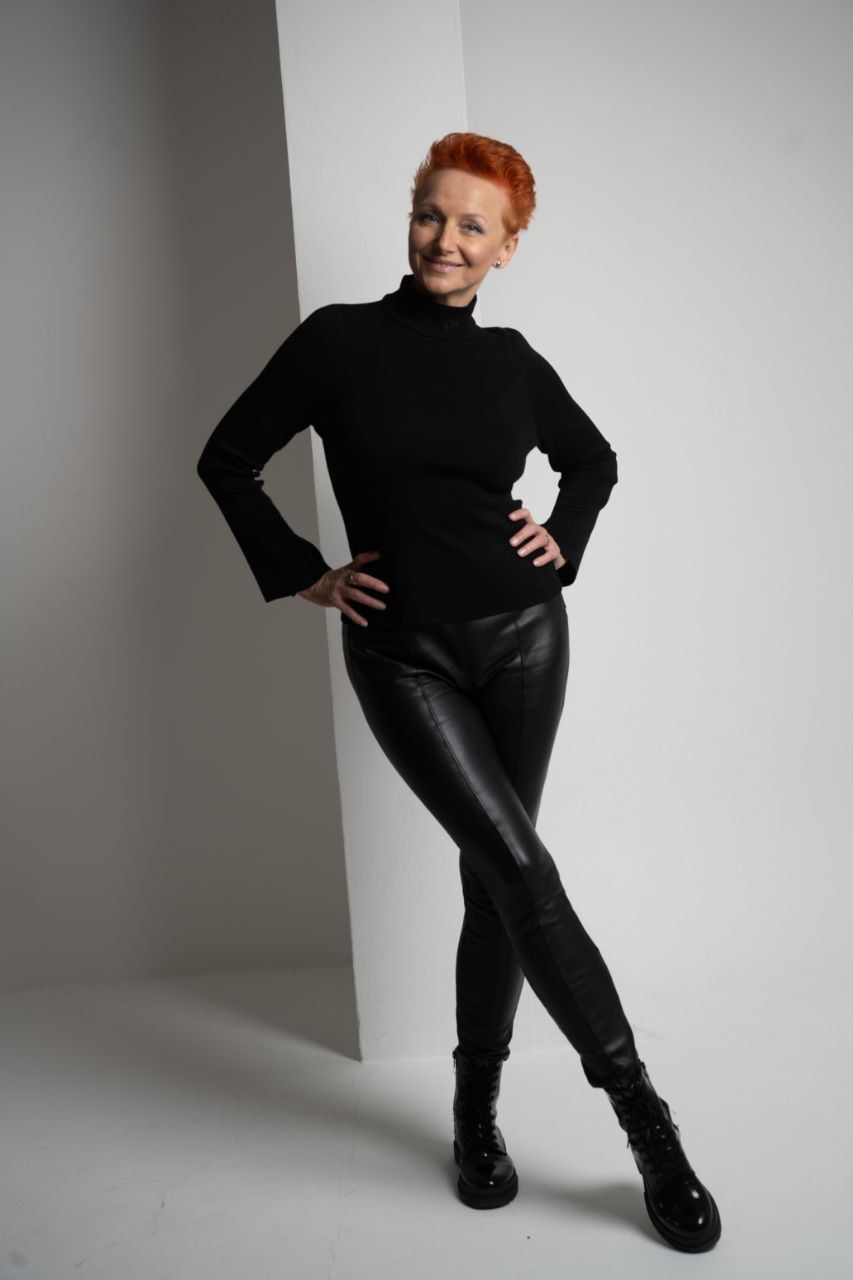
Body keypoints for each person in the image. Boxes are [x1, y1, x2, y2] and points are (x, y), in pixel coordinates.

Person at [196, 131, 721, 1253]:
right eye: (431, 214)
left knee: (496, 884)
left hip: (527, 639)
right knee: (525, 870)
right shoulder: (338, 342)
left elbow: (593, 460)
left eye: (472, 225)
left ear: (506, 248)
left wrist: (563, 537)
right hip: (405, 656)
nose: (445, 239)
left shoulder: (512, 361)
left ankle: (473, 1111)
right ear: (411, 218)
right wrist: (304, 572)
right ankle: (647, 1123)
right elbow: (226, 458)